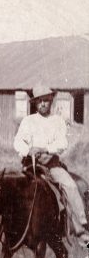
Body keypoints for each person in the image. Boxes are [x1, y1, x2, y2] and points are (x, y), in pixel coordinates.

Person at [13, 86, 89, 245]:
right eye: (39, 101)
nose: (43, 104)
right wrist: (28, 150)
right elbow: (18, 142)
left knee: (71, 186)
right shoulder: (28, 121)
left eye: (46, 101)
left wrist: (45, 149)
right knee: (13, 187)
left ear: (51, 101)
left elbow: (62, 143)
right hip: (31, 164)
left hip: (51, 165)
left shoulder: (57, 121)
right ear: (35, 103)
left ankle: (81, 228)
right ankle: (12, 227)